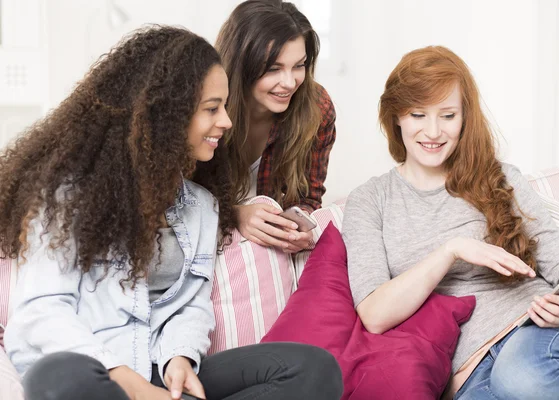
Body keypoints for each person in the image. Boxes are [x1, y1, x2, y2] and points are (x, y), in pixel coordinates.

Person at [1, 26, 343, 400]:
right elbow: (42, 313)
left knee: (312, 367)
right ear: (163, 115)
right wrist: (134, 387)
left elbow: (191, 305)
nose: (226, 122)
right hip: (95, 372)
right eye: (212, 109)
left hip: (162, 373)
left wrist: (179, 359)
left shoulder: (201, 205)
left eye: (224, 107)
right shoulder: (66, 197)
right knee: (56, 375)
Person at [342, 45, 559, 400]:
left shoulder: (500, 177)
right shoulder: (370, 200)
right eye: (418, 114)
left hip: (541, 332)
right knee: (511, 382)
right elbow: (374, 314)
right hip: (472, 373)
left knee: (521, 376)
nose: (433, 132)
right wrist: (452, 250)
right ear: (395, 116)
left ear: (464, 119)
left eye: (447, 116)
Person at [215, 0, 337, 253]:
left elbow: (307, 198)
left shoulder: (316, 108)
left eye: (299, 65)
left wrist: (297, 228)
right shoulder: (202, 107)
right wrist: (235, 214)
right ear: (241, 64)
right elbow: (173, 199)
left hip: (268, 248)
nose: (290, 82)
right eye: (273, 68)